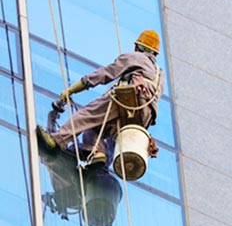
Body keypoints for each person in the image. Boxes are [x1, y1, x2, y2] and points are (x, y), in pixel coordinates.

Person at [36, 29, 164, 166]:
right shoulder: (160, 74)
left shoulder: (136, 58)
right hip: (144, 118)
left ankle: (56, 140)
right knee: (95, 128)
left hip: (130, 99)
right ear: (155, 53)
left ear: (137, 47)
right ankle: (98, 153)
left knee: (88, 114)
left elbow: (105, 74)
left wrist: (73, 89)